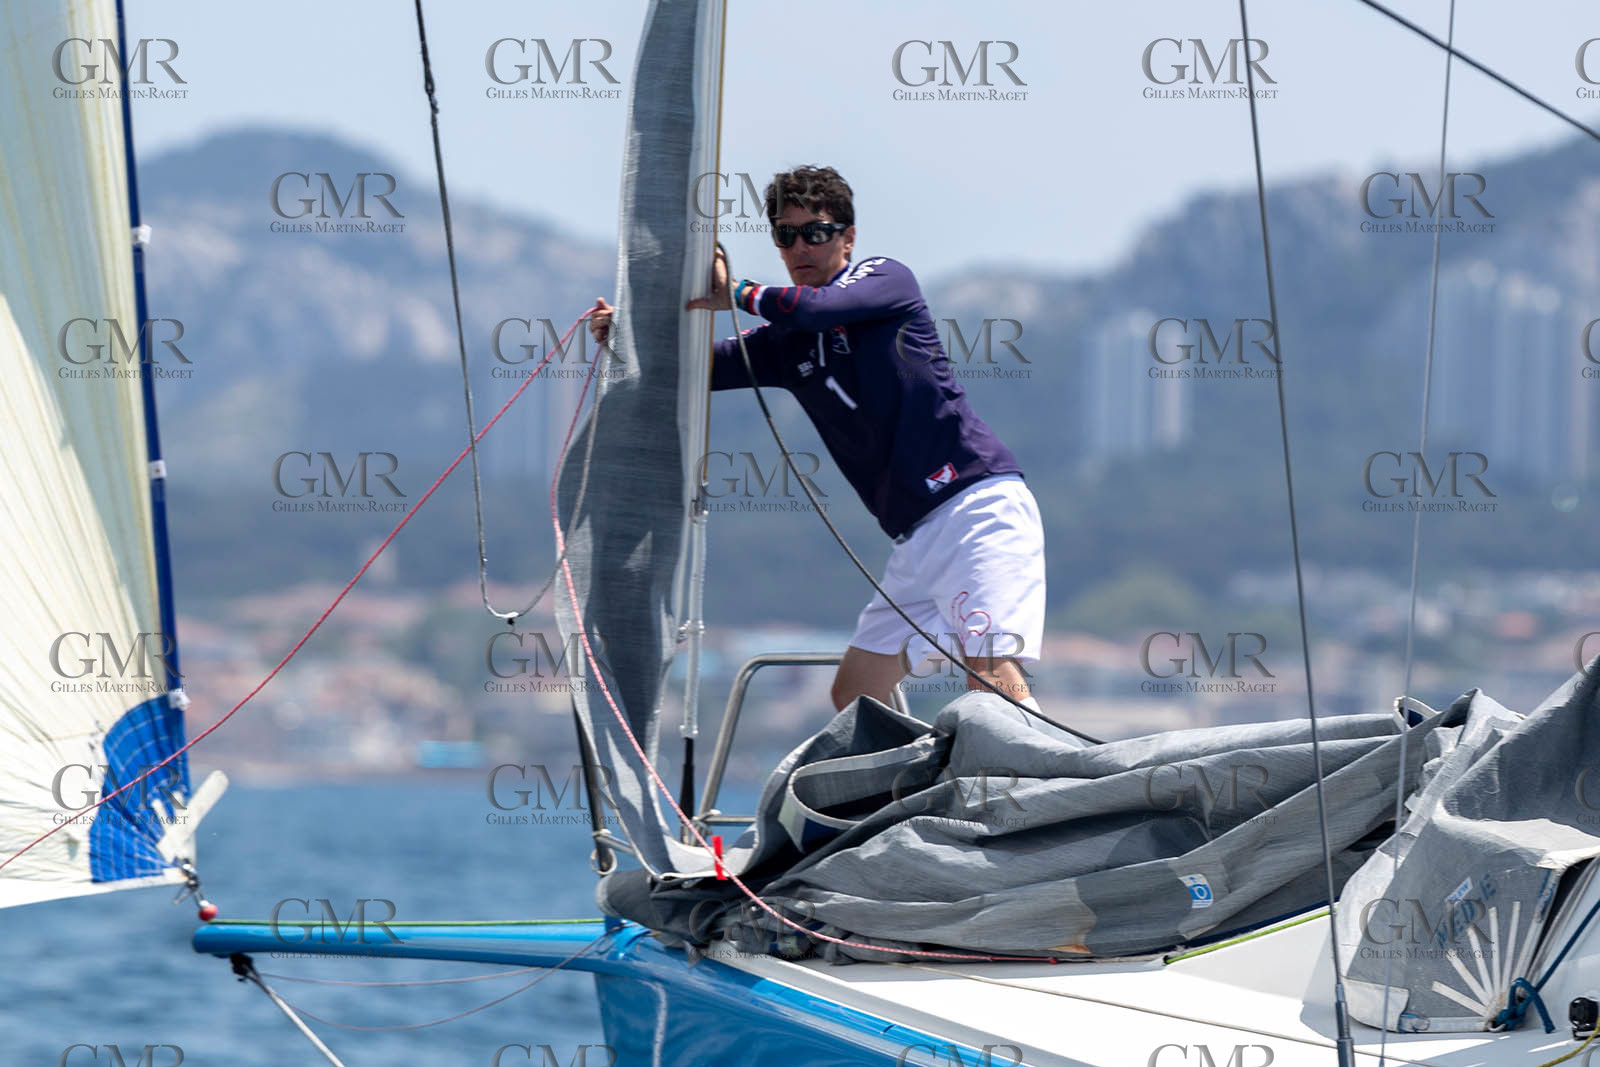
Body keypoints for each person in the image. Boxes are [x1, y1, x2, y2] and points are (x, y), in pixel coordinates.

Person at [589, 165, 1044, 715]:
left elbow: (818, 307)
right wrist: (624, 337)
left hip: (975, 506)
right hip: (917, 535)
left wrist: (735, 291)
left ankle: (1026, 790)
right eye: (785, 235)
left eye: (817, 232)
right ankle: (908, 796)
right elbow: (693, 370)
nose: (800, 246)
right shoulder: (787, 341)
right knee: (855, 693)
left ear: (847, 237)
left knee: (990, 670)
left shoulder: (885, 280)